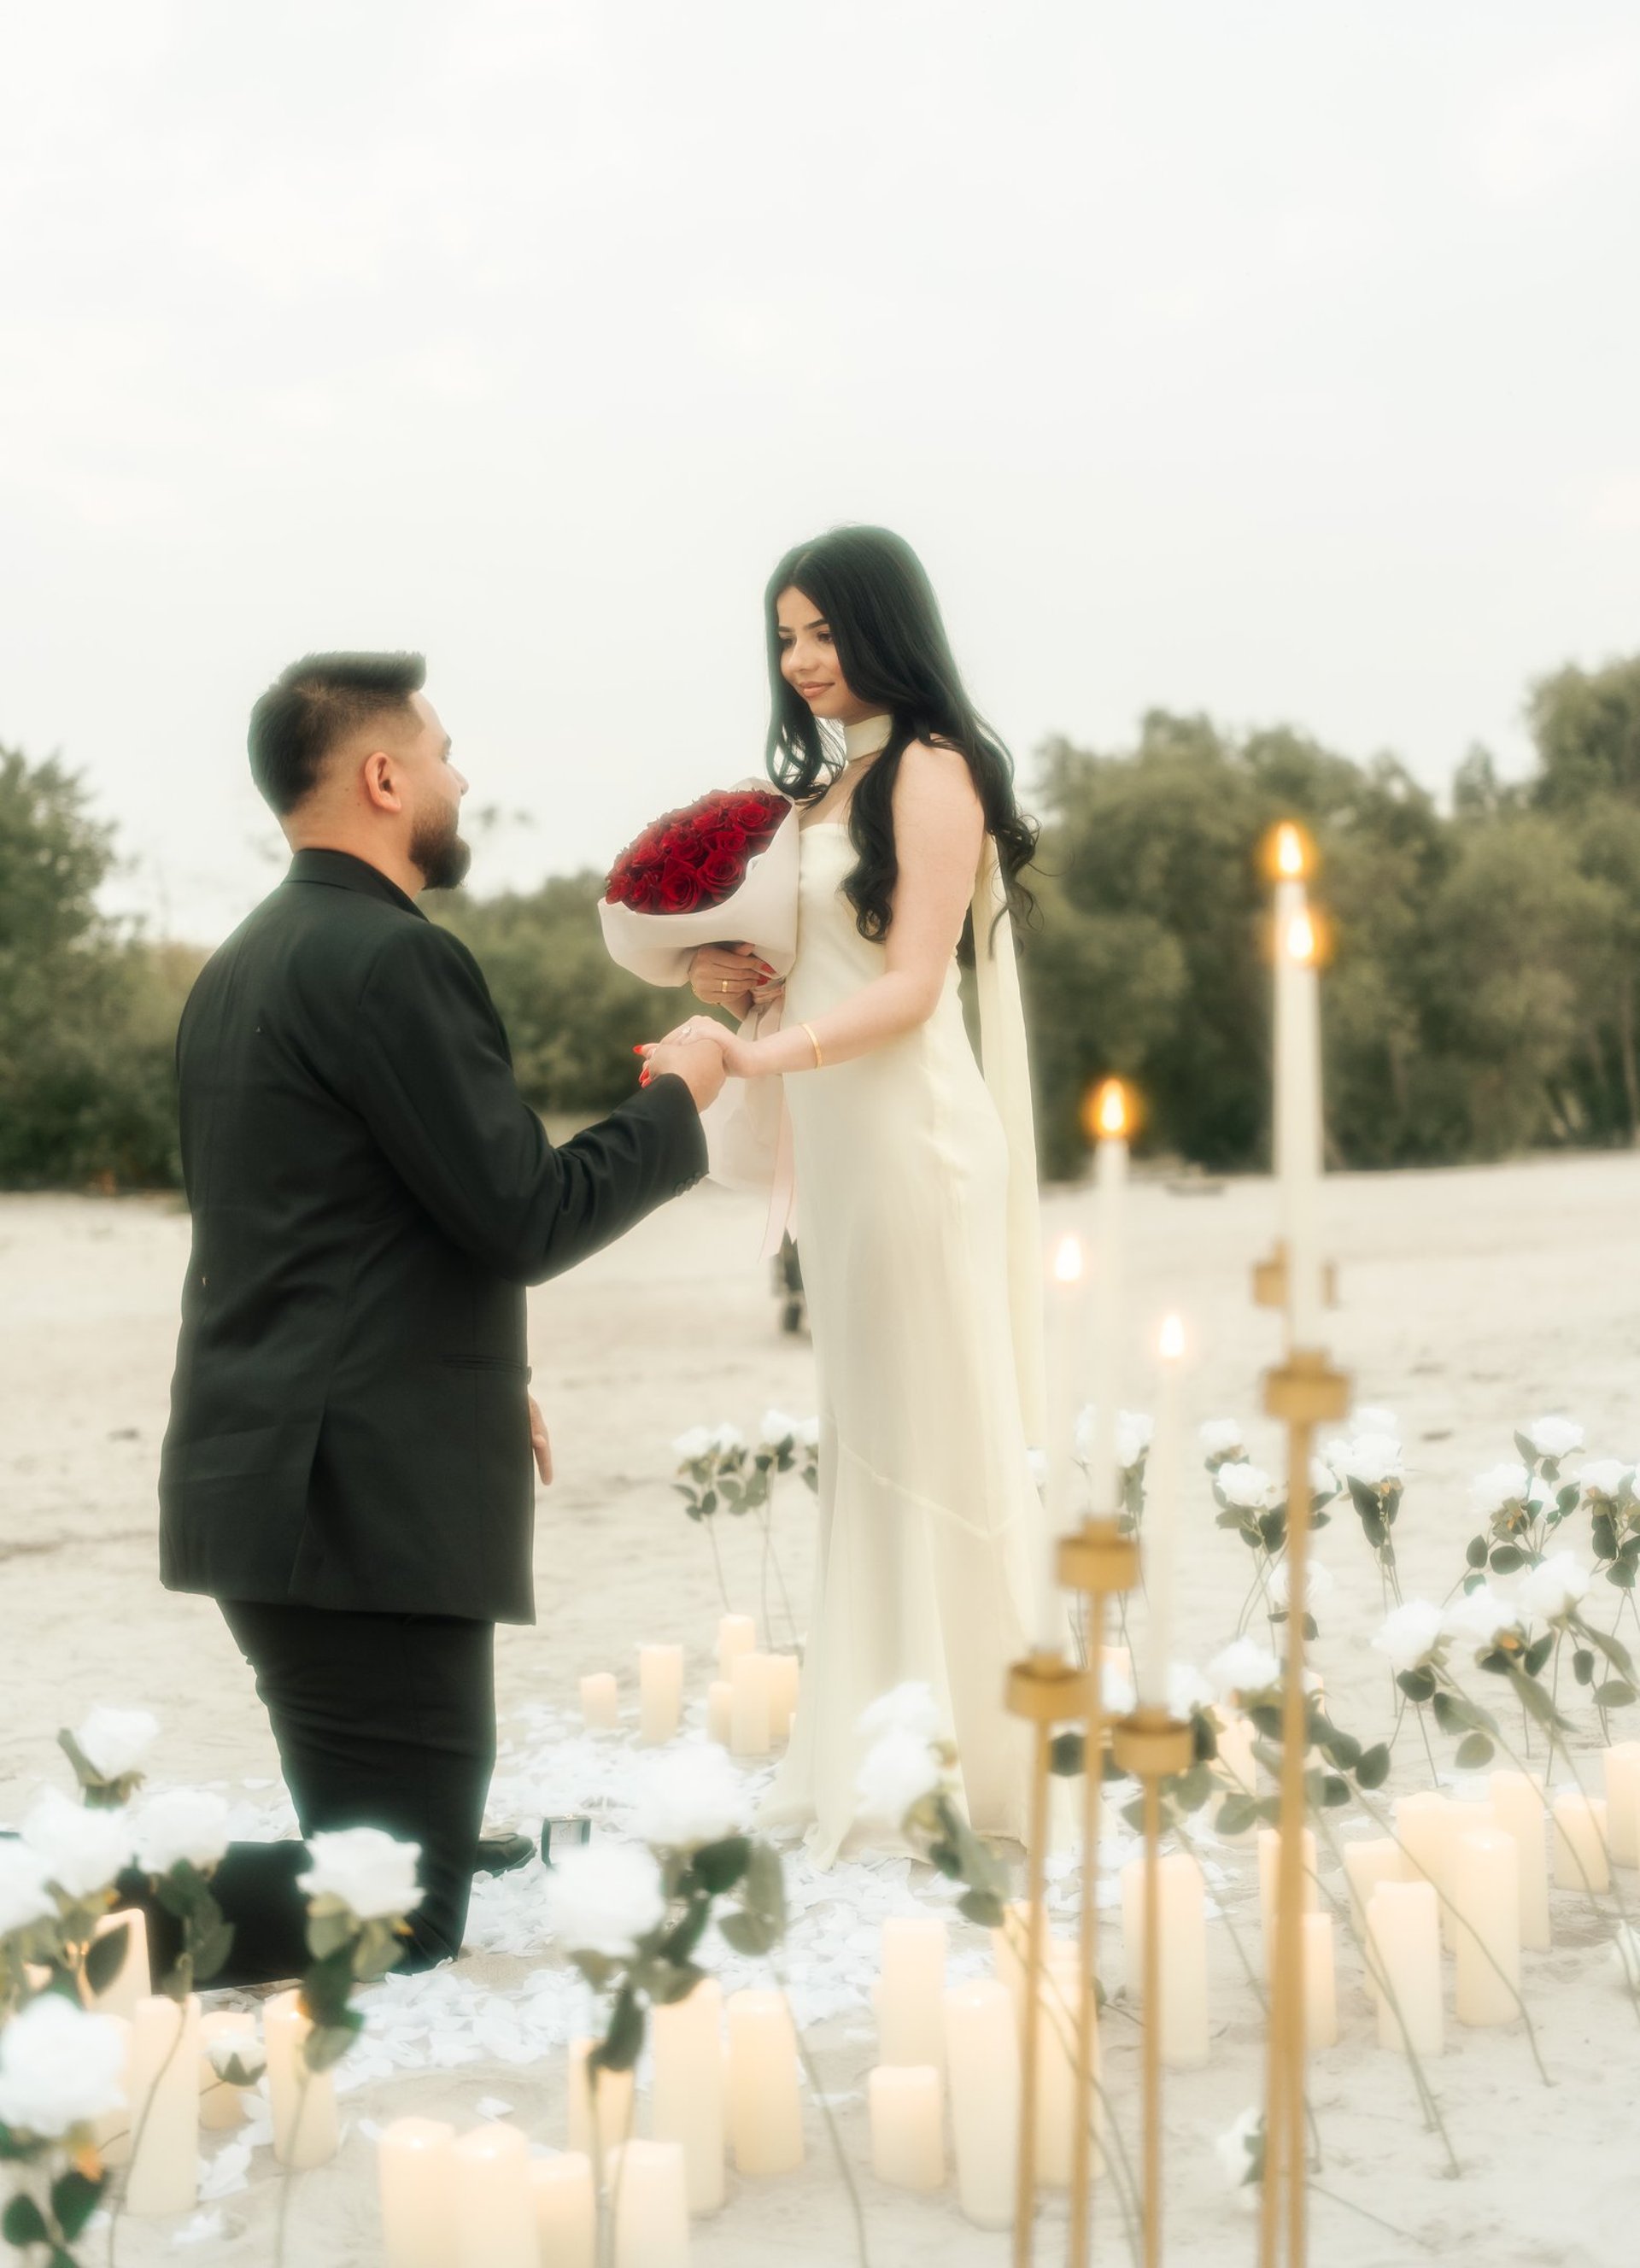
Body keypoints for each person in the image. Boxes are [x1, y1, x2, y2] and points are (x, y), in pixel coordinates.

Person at [151, 653, 724, 1983]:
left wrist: (468, 1375)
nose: (464, 778)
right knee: (400, 1913)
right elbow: (522, 1214)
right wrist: (685, 1090)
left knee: (391, 1858)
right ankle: (44, 1904)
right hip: (354, 1513)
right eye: (446, 750)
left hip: (287, 1489)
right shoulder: (395, 962)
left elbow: (323, 1233)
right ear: (384, 776)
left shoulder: (243, 966)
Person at [662, 527, 1051, 1865]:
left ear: (887, 628)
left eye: (824, 631)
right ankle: (881, 1730)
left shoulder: (932, 770)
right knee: (871, 1424)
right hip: (839, 1139)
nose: (802, 660)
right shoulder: (831, 794)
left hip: (915, 1137)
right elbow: (830, 958)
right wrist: (731, 985)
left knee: (930, 1429)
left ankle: (960, 1748)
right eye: (785, 636)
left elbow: (911, 983)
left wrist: (760, 1053)